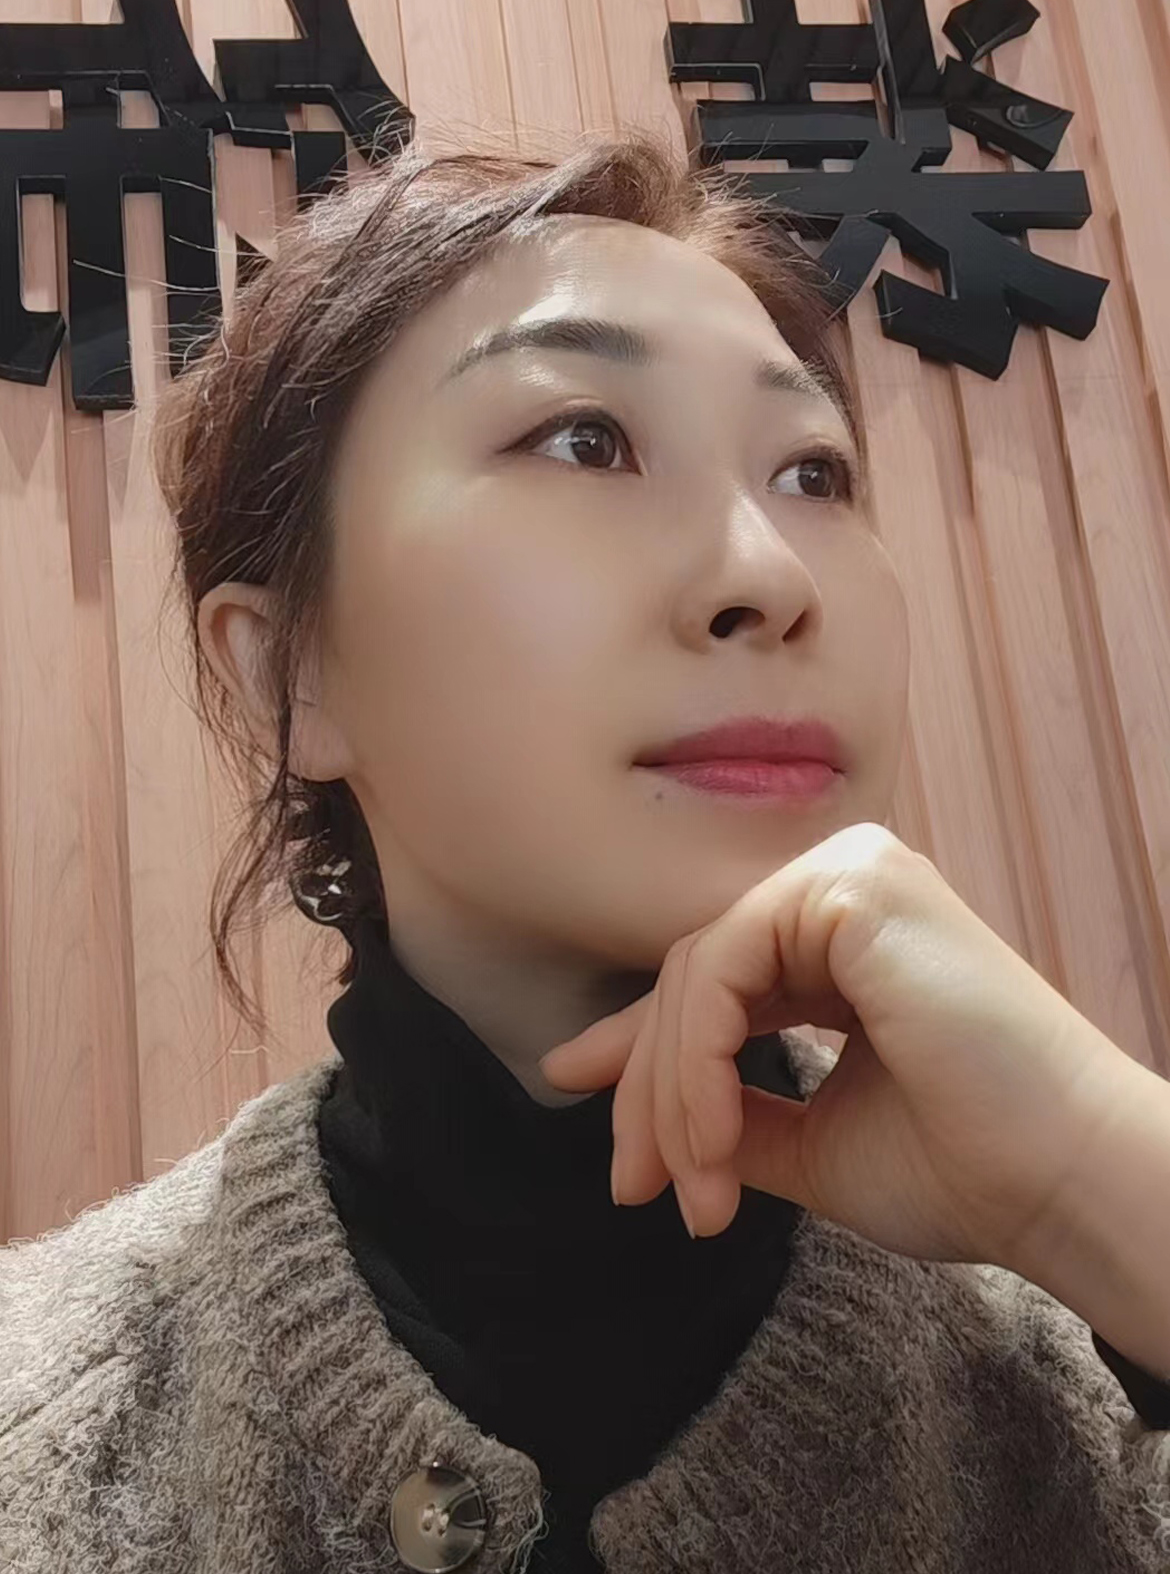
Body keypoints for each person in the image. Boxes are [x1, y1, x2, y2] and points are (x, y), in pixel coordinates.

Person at [1, 132, 1169, 1574]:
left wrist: (1104, 1187)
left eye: (813, 472)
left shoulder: (1097, 1372)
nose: (767, 574)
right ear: (290, 671)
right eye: (585, 441)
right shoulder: (42, 1428)